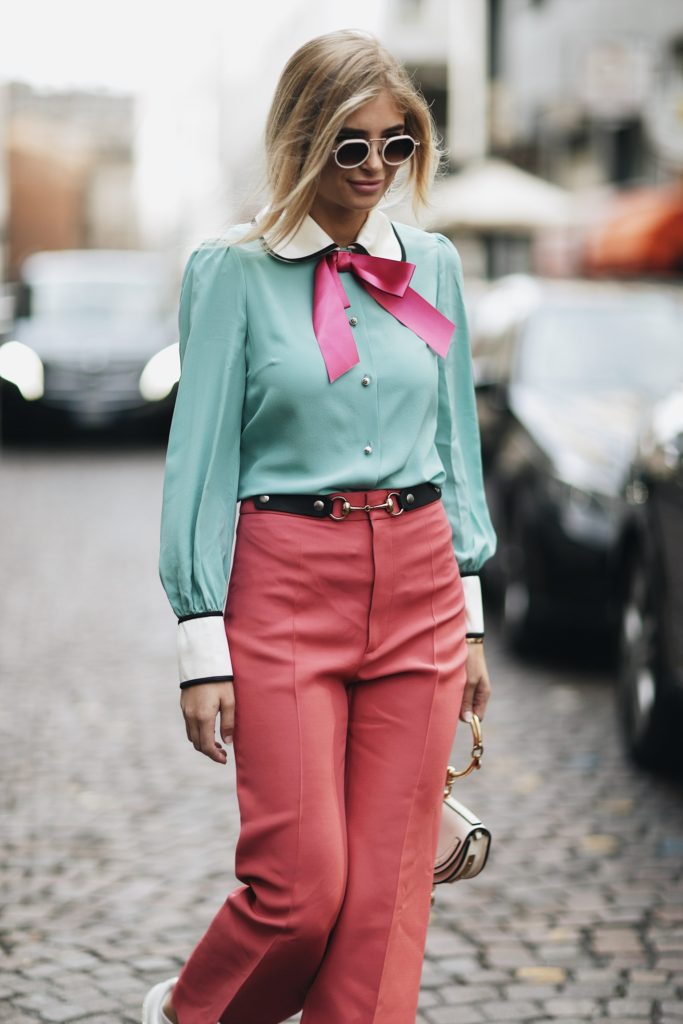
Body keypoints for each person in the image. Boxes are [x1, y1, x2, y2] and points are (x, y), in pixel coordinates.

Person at [143, 28, 496, 1024]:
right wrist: (198, 642)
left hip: (423, 585)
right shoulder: (231, 270)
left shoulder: (429, 265)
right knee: (301, 893)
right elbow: (200, 458)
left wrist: (468, 615)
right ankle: (191, 1013)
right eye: (351, 145)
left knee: (383, 914)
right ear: (301, 141)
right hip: (287, 585)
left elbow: (452, 439)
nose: (374, 170)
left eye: (396, 145)